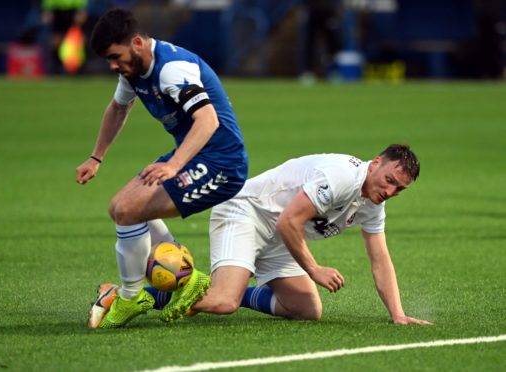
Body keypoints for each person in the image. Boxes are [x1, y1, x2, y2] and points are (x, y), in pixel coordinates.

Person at [95, 144, 432, 325]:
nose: (391, 191)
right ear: (375, 164)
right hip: (246, 213)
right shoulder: (342, 176)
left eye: (399, 189)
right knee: (223, 303)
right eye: (390, 180)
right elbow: (289, 221)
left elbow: (380, 259)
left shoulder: (373, 202)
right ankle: (128, 294)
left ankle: (210, 283)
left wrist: (397, 314)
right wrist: (314, 270)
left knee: (305, 309)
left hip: (279, 236)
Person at [77, 8, 248, 329]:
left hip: (222, 163)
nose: (113, 66)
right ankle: (188, 278)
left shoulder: (172, 70)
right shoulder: (133, 71)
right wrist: (96, 157)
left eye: (115, 56)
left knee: (129, 211)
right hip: (193, 156)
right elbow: (118, 108)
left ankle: (132, 297)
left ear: (137, 43)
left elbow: (207, 120)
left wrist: (173, 164)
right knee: (117, 208)